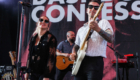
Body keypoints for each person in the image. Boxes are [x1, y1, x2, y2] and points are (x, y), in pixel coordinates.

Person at [70, 0, 114, 80]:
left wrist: (97, 29)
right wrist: (73, 53)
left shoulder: (103, 22)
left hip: (95, 62)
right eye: (90, 7)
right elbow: (76, 45)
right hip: (80, 63)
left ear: (99, 11)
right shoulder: (81, 29)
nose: (93, 9)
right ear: (87, 10)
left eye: (96, 8)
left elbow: (111, 38)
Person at [25, 16, 57, 80]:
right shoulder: (33, 38)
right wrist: (27, 72)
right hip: (32, 72)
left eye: (46, 21)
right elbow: (30, 56)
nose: (43, 22)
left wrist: (47, 76)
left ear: (48, 25)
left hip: (44, 74)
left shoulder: (51, 38)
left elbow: (51, 59)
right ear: (37, 23)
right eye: (41, 20)